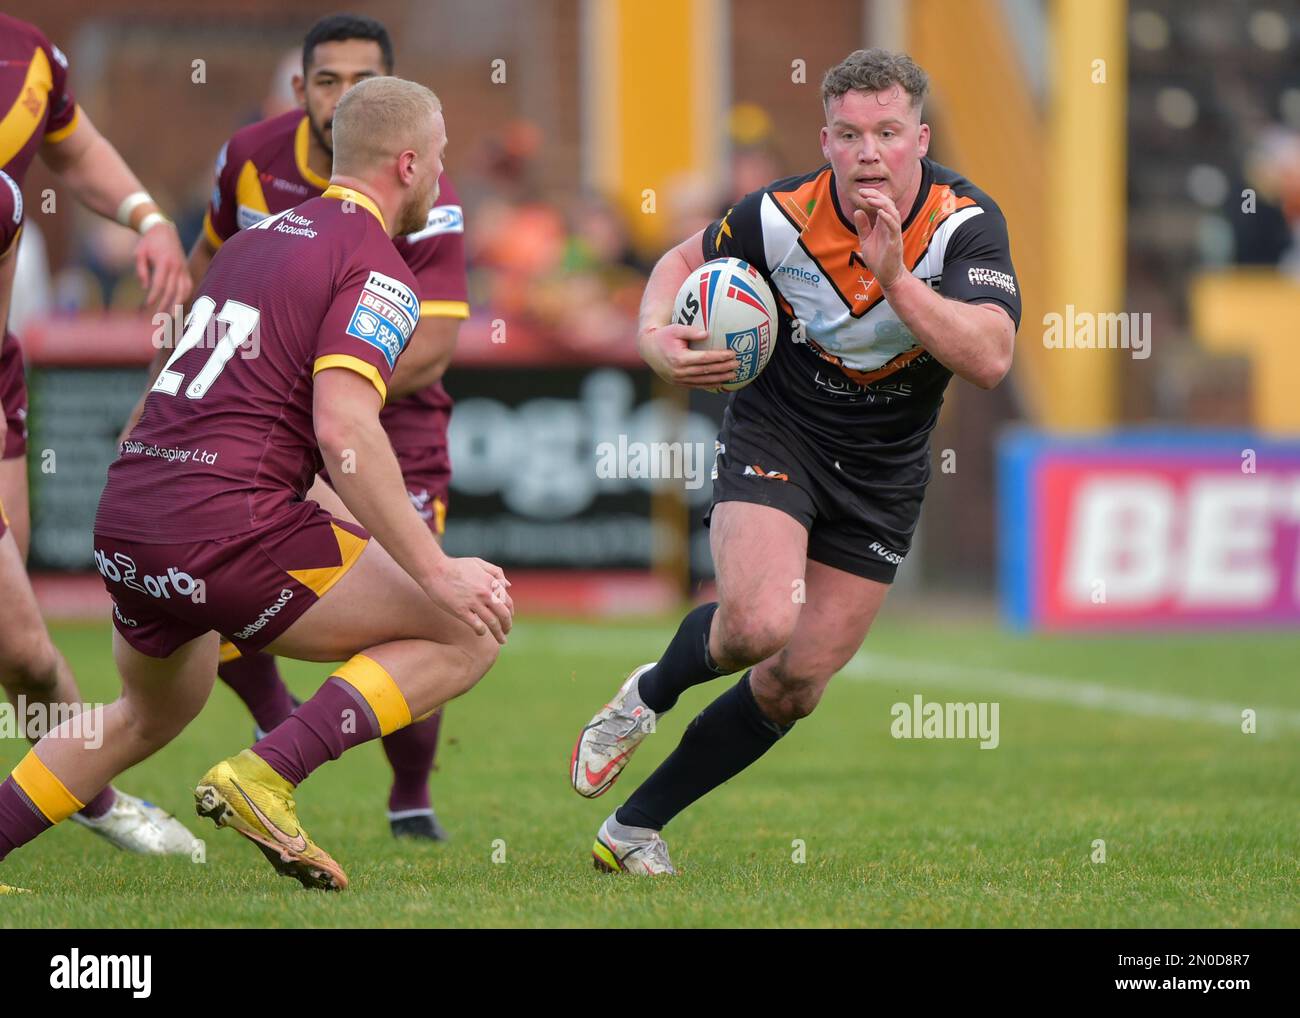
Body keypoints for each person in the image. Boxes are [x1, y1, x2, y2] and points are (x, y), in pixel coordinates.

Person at [0, 77, 510, 894]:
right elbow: (344, 431)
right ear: (409, 164)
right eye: (441, 162)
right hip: (223, 524)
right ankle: (266, 774)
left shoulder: (252, 242)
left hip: (130, 514)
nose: (443, 182)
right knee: (470, 628)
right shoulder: (378, 267)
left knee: (148, 713)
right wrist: (438, 570)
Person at [570, 49, 1020, 875]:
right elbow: (677, 262)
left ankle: (632, 830)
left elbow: (990, 357)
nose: (869, 152)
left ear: (920, 137)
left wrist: (896, 278)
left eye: (888, 132)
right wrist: (653, 340)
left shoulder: (965, 223)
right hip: (781, 433)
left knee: (795, 681)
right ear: (826, 139)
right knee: (758, 624)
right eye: (849, 135)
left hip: (885, 471)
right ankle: (648, 695)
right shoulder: (776, 215)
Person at [122, 13, 469, 842]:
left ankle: (408, 798)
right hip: (281, 429)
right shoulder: (250, 159)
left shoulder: (429, 198)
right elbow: (216, 287)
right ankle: (273, 747)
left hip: (392, 427)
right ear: (300, 89)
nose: (342, 94)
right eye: (327, 80)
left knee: (413, 603)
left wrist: (322, 376)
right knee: (452, 612)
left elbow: (436, 345)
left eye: (361, 81)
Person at [0, 13, 194, 857]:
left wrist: (147, 217)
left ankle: (92, 794)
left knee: (26, 659)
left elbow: (73, 148)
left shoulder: (27, 55)